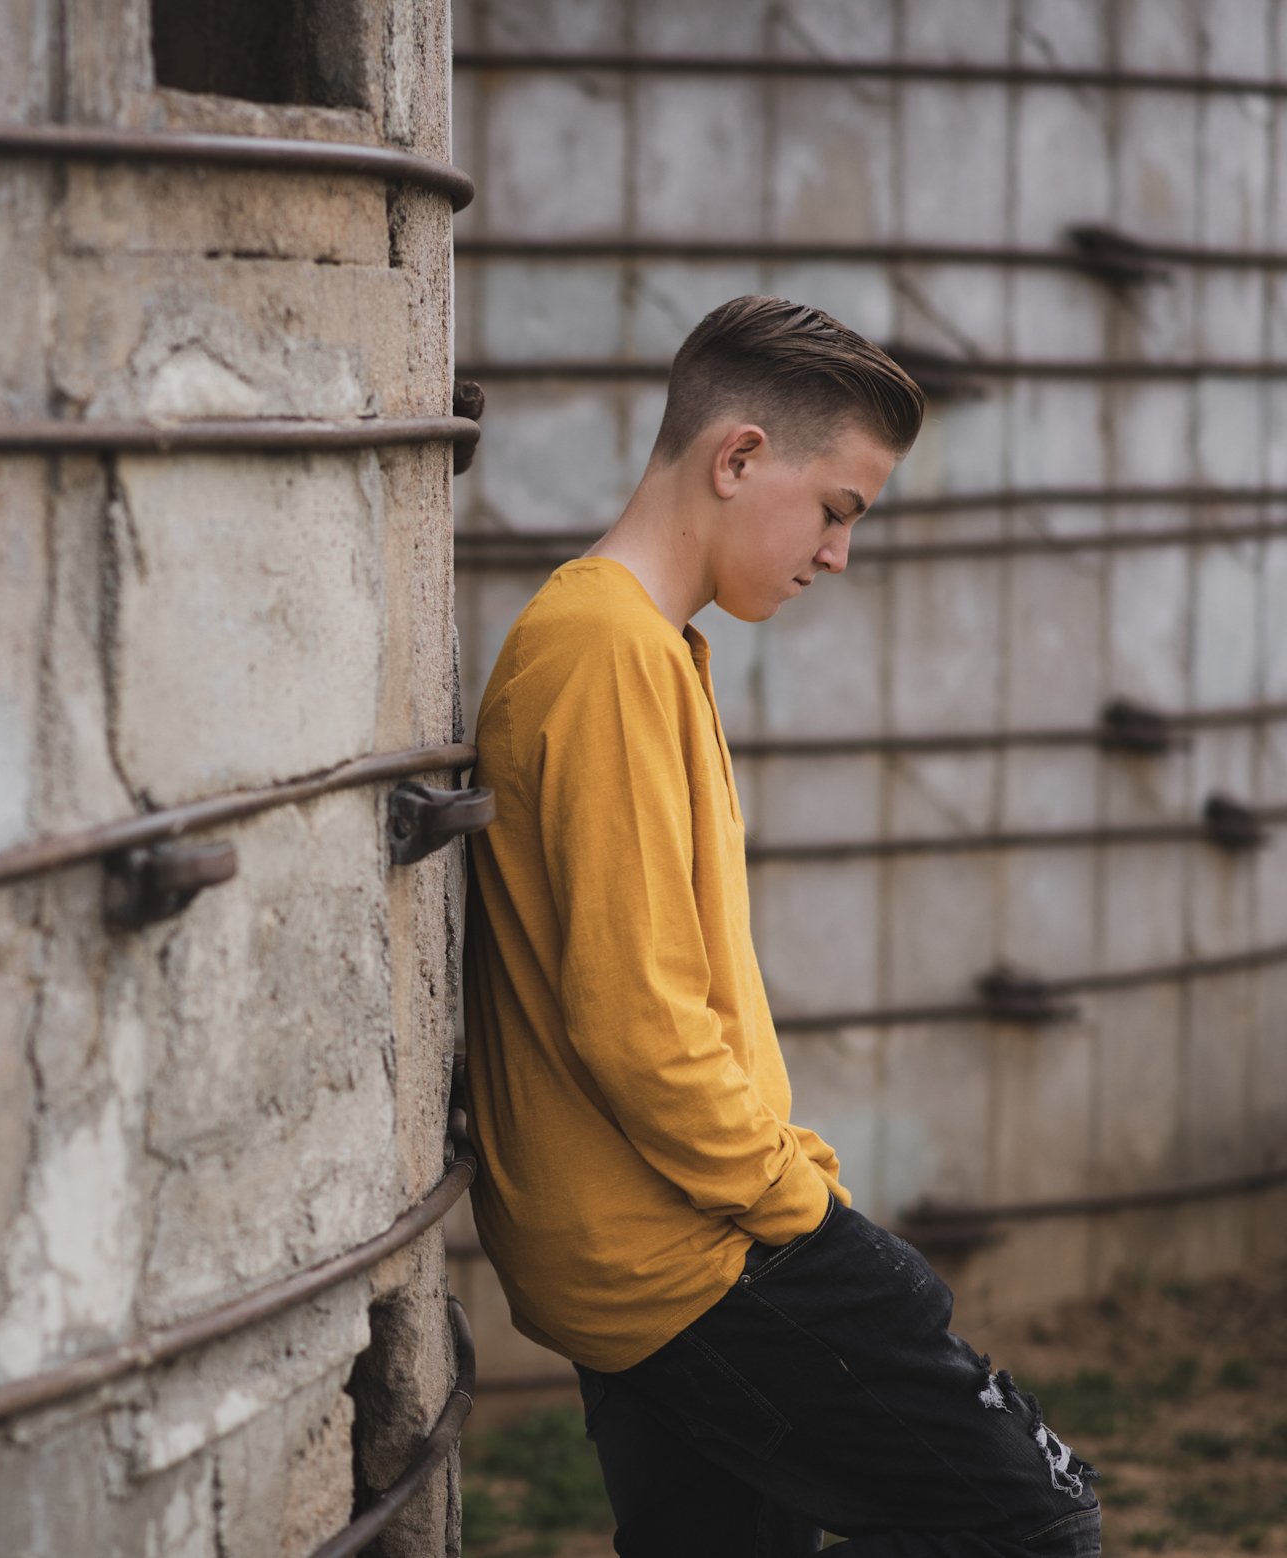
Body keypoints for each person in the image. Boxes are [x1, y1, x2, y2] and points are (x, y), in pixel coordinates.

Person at [460, 295, 1101, 1557]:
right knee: (1033, 1523)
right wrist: (809, 1217)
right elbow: (635, 1022)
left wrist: (798, 1168)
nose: (834, 554)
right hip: (681, 1253)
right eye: (836, 509)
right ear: (738, 457)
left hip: (657, 1236)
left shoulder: (647, 645)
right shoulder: (602, 653)